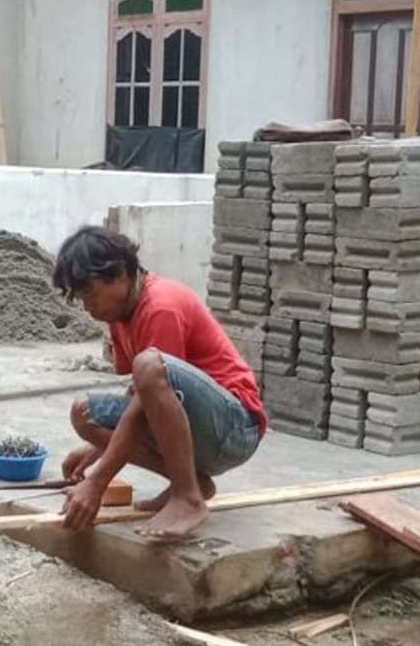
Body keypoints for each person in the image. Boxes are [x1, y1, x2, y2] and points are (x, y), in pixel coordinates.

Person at [52, 226, 267, 540]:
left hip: (235, 427)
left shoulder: (160, 306)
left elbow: (147, 395)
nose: (87, 306)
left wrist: (97, 482)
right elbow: (141, 396)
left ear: (121, 275)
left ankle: (187, 497)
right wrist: (98, 446)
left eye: (90, 294)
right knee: (84, 413)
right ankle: (194, 481)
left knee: (150, 366)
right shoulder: (121, 315)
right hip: (194, 423)